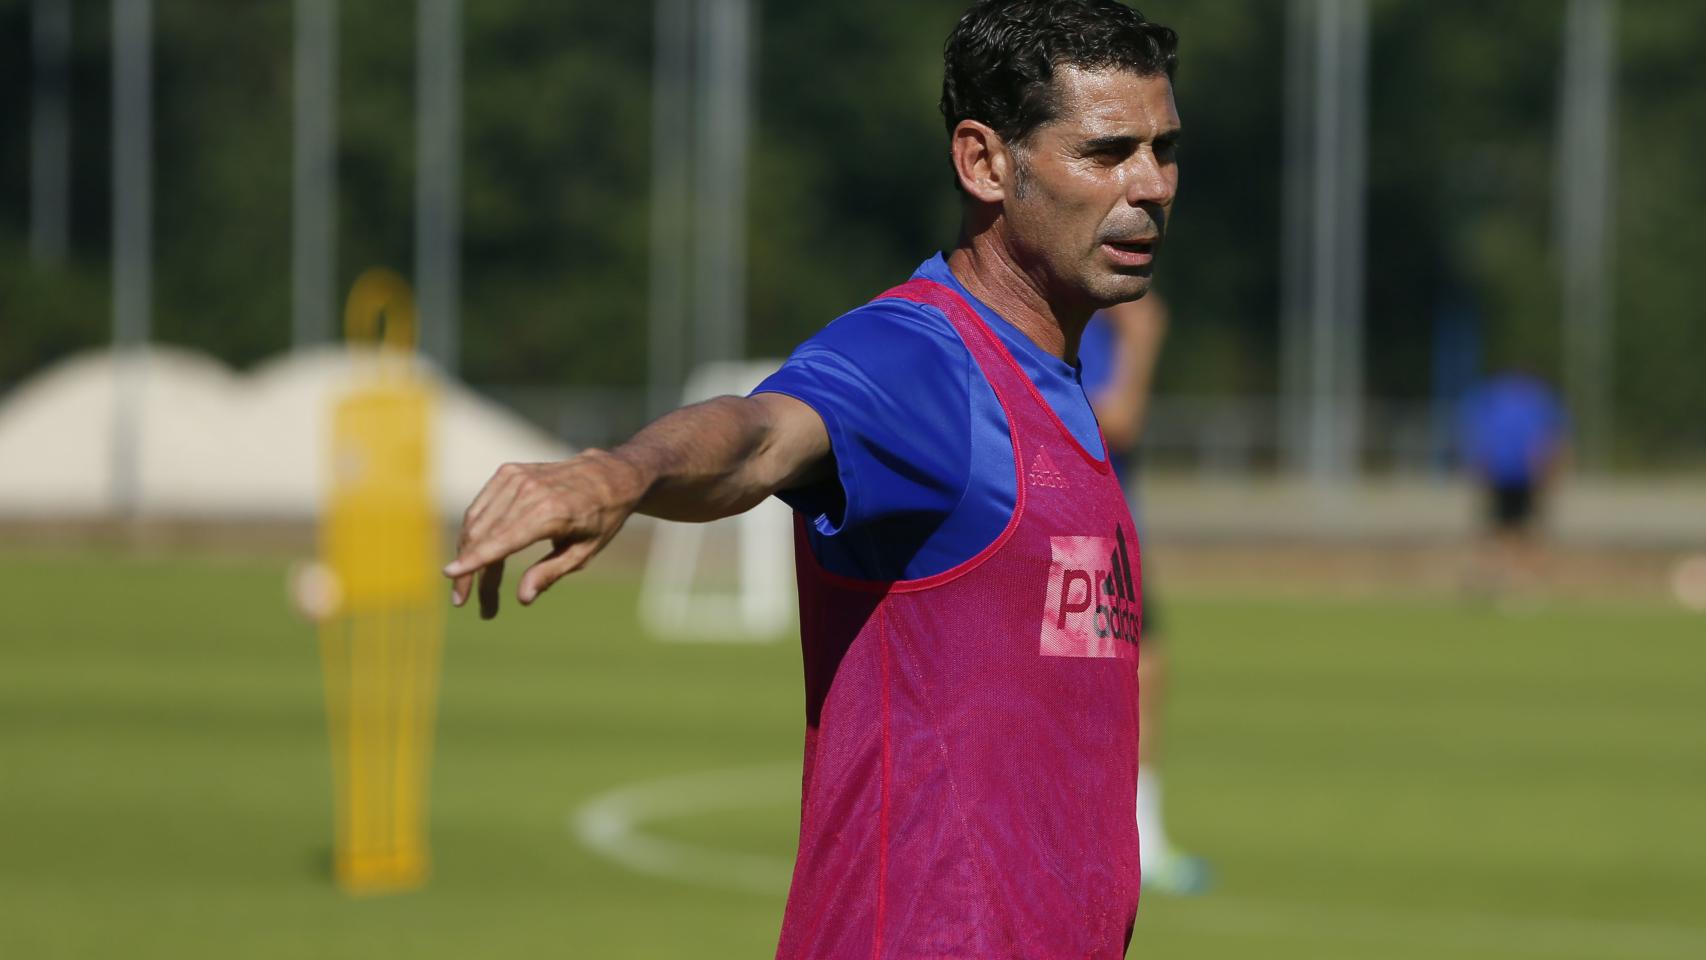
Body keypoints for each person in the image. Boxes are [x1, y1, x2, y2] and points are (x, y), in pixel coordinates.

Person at [444, 1, 1181, 955]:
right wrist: (619, 473)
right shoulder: (924, 359)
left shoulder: (1065, 392)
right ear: (984, 162)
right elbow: (758, 435)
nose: (1150, 184)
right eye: (1107, 150)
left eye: (1165, 149)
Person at [1079, 294, 1211, 895]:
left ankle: (1135, 836)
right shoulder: (1072, 320)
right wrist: (1144, 340)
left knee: (1140, 675)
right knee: (1101, 688)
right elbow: (1118, 417)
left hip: (1106, 532)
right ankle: (1120, 843)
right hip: (1075, 534)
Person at [1459, 370, 1569, 597]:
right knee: (1511, 529)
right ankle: (1504, 579)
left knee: (1516, 529)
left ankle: (1517, 580)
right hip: (1511, 473)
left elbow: (1548, 440)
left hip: (1517, 474)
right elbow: (1551, 440)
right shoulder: (1532, 400)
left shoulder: (1498, 399)